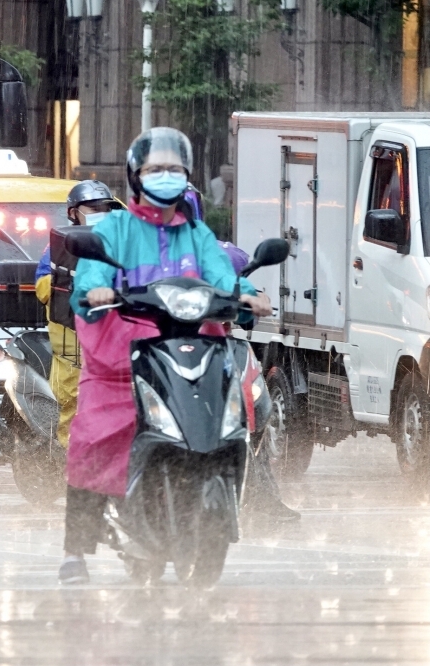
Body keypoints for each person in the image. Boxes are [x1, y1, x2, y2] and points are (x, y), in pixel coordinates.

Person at [57, 127, 273, 584]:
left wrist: (250, 295)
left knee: (225, 418)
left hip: (191, 350)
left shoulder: (196, 234)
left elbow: (224, 273)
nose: (165, 177)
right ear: (136, 176)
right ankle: (75, 549)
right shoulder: (113, 230)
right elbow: (88, 277)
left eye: (174, 169)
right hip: (122, 359)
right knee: (93, 437)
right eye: (156, 169)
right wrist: (95, 290)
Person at [216, 240, 301, 523]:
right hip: (166, 354)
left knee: (254, 421)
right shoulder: (146, 255)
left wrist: (253, 299)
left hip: (216, 353)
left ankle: (264, 499)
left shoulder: (210, 254)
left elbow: (241, 292)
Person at [35, 181, 124, 449]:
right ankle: (72, 468)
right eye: (93, 208)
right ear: (73, 213)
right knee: (74, 406)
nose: (100, 212)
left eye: (106, 208)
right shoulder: (58, 248)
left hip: (116, 343)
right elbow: (42, 288)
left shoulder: (122, 243)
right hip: (73, 346)